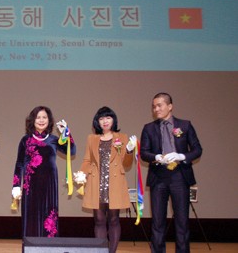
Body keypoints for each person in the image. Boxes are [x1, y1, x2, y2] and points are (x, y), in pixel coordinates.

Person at [140, 93, 202, 253]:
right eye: (154, 106)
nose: (156, 109)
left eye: (159, 105)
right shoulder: (149, 128)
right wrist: (157, 157)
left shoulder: (185, 125)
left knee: (182, 222)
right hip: (158, 177)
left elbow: (197, 149)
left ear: (170, 106)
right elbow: (144, 152)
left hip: (180, 177)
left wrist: (181, 156)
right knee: (158, 222)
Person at [76, 106, 135, 253]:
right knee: (99, 220)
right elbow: (87, 160)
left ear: (113, 119)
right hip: (97, 183)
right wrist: (82, 174)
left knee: (114, 219)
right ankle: (101, 250)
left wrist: (129, 151)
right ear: (97, 122)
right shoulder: (92, 139)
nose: (105, 121)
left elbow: (127, 165)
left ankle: (112, 251)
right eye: (101, 118)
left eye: (108, 117)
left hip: (114, 183)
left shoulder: (122, 138)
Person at [11, 106, 76, 238]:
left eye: (44, 117)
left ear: (49, 120)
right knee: (31, 217)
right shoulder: (26, 140)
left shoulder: (54, 139)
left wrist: (67, 134)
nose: (41, 120)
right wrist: (16, 186)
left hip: (49, 185)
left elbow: (72, 151)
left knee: (49, 216)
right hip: (31, 186)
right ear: (32, 120)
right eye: (38, 117)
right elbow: (19, 164)